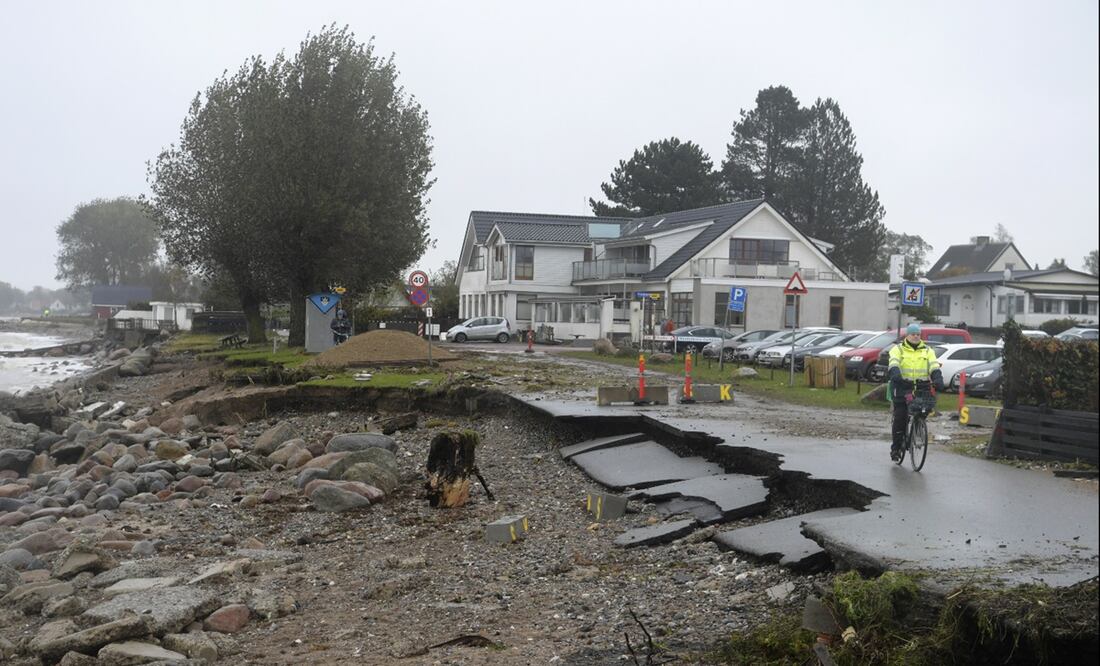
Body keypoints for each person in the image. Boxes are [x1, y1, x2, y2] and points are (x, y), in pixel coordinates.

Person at [887, 323, 944, 462]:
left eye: (918, 334)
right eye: (913, 334)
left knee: (923, 412)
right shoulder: (898, 349)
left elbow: (933, 365)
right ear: (907, 335)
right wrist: (896, 375)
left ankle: (917, 430)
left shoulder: (927, 350)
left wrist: (937, 378)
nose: (916, 336)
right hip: (902, 387)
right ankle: (896, 448)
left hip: (920, 388)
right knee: (900, 417)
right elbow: (893, 363)